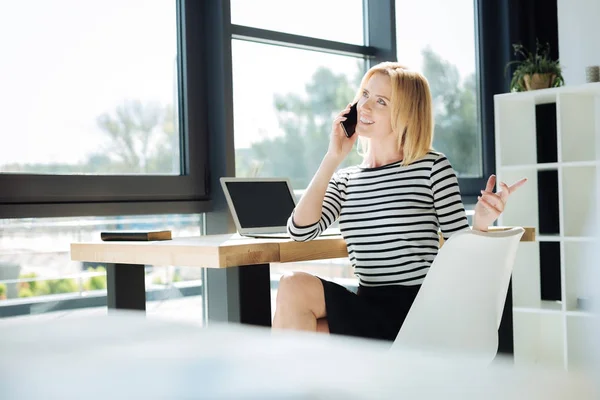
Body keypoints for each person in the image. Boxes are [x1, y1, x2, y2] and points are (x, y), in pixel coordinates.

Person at [272, 61, 527, 343]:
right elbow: (300, 231)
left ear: (405, 113)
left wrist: (480, 221)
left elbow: (461, 255)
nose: (365, 107)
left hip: (420, 311)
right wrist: (332, 157)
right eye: (365, 95)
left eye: (381, 102)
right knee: (292, 287)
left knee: (304, 336)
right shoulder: (346, 179)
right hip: (369, 304)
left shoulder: (432, 167)